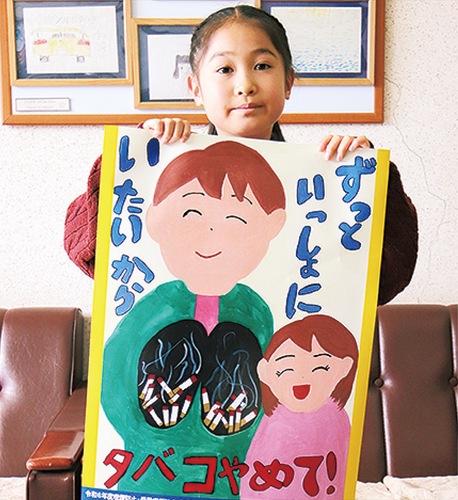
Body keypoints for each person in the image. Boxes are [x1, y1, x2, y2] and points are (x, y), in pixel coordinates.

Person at [64, 5, 418, 305]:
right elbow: (87, 252)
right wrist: (135, 162)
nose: (245, 84)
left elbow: (386, 280)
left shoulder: (323, 185)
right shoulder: (163, 171)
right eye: (225, 70)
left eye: (262, 66)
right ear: (195, 88)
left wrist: (370, 185)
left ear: (288, 82)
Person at [101, 140, 286, 496]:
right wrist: (137, 148)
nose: (211, 234)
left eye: (236, 220)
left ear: (273, 226)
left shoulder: (255, 310)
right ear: (155, 220)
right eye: (191, 214)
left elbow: (271, 389)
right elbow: (114, 376)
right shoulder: (154, 307)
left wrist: (360, 166)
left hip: (233, 473)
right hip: (152, 469)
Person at [240, 315, 359, 499]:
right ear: (265, 372)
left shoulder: (336, 419)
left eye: (320, 368)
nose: (302, 378)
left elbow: (337, 481)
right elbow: (253, 482)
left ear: (344, 368)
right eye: (286, 369)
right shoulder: (273, 422)